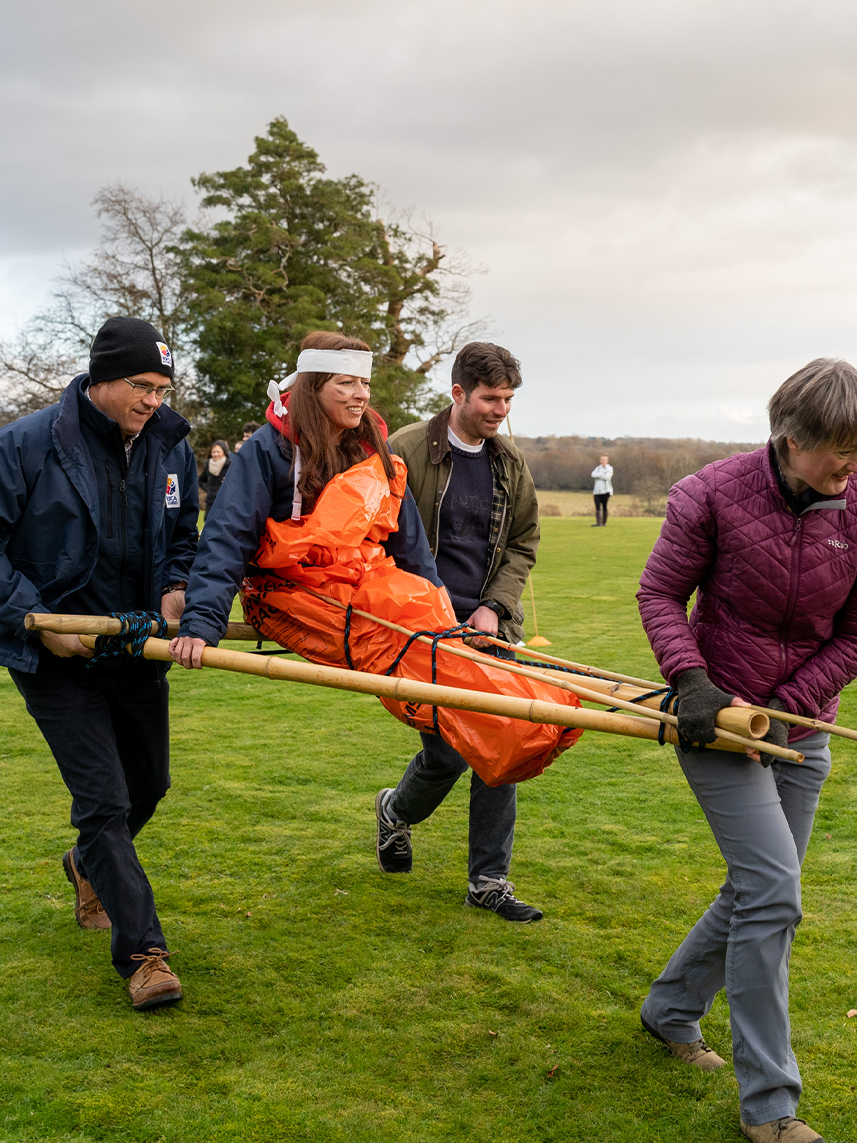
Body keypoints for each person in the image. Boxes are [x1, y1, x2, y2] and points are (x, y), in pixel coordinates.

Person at [636, 358, 857, 1143]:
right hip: (716, 722)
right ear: (789, 439)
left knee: (760, 887)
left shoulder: (856, 502)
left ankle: (668, 1010)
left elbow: (854, 633)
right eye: (838, 449)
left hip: (800, 729)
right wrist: (692, 682)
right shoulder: (711, 493)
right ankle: (770, 1104)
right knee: (772, 892)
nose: (849, 465)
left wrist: (786, 707)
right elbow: (659, 593)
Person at [0, 316, 199, 1011]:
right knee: (105, 801)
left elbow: (182, 536)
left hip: (135, 649)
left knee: (149, 783)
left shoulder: (171, 446)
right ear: (100, 378)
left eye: (163, 387)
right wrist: (33, 618)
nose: (153, 399)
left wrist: (177, 587)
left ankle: (86, 865)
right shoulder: (27, 444)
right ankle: (144, 954)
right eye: (141, 385)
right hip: (56, 657)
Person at [376, 342, 543, 922]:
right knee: (446, 755)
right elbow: (374, 539)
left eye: (508, 400)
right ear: (457, 394)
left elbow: (523, 541)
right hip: (420, 627)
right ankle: (395, 814)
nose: (500, 410)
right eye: (490, 398)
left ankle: (489, 881)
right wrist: (423, 604)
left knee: (504, 742)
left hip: (490, 628)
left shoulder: (509, 461)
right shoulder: (403, 450)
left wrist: (495, 606)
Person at [169, 329, 439, 669]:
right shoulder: (267, 449)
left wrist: (445, 621)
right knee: (399, 644)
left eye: (365, 384)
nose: (361, 395)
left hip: (357, 583)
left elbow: (409, 542)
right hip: (282, 595)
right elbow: (228, 534)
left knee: (432, 637)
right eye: (346, 384)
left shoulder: (372, 451)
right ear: (312, 387)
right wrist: (202, 622)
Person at [198, 439, 232, 519]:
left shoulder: (230, 465)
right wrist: (209, 489)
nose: (215, 454)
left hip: (225, 503)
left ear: (224, 452)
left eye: (218, 451)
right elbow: (201, 480)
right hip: (210, 502)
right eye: (214, 452)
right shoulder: (208, 465)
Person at [591, 453, 613, 526]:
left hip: (605, 491)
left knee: (604, 506)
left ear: (607, 461)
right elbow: (593, 475)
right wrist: (601, 474)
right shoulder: (598, 468)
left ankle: (604, 522)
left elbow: (607, 477)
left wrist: (599, 475)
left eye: (604, 460)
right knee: (597, 506)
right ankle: (598, 522)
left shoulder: (609, 468)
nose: (602, 461)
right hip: (597, 491)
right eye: (601, 460)